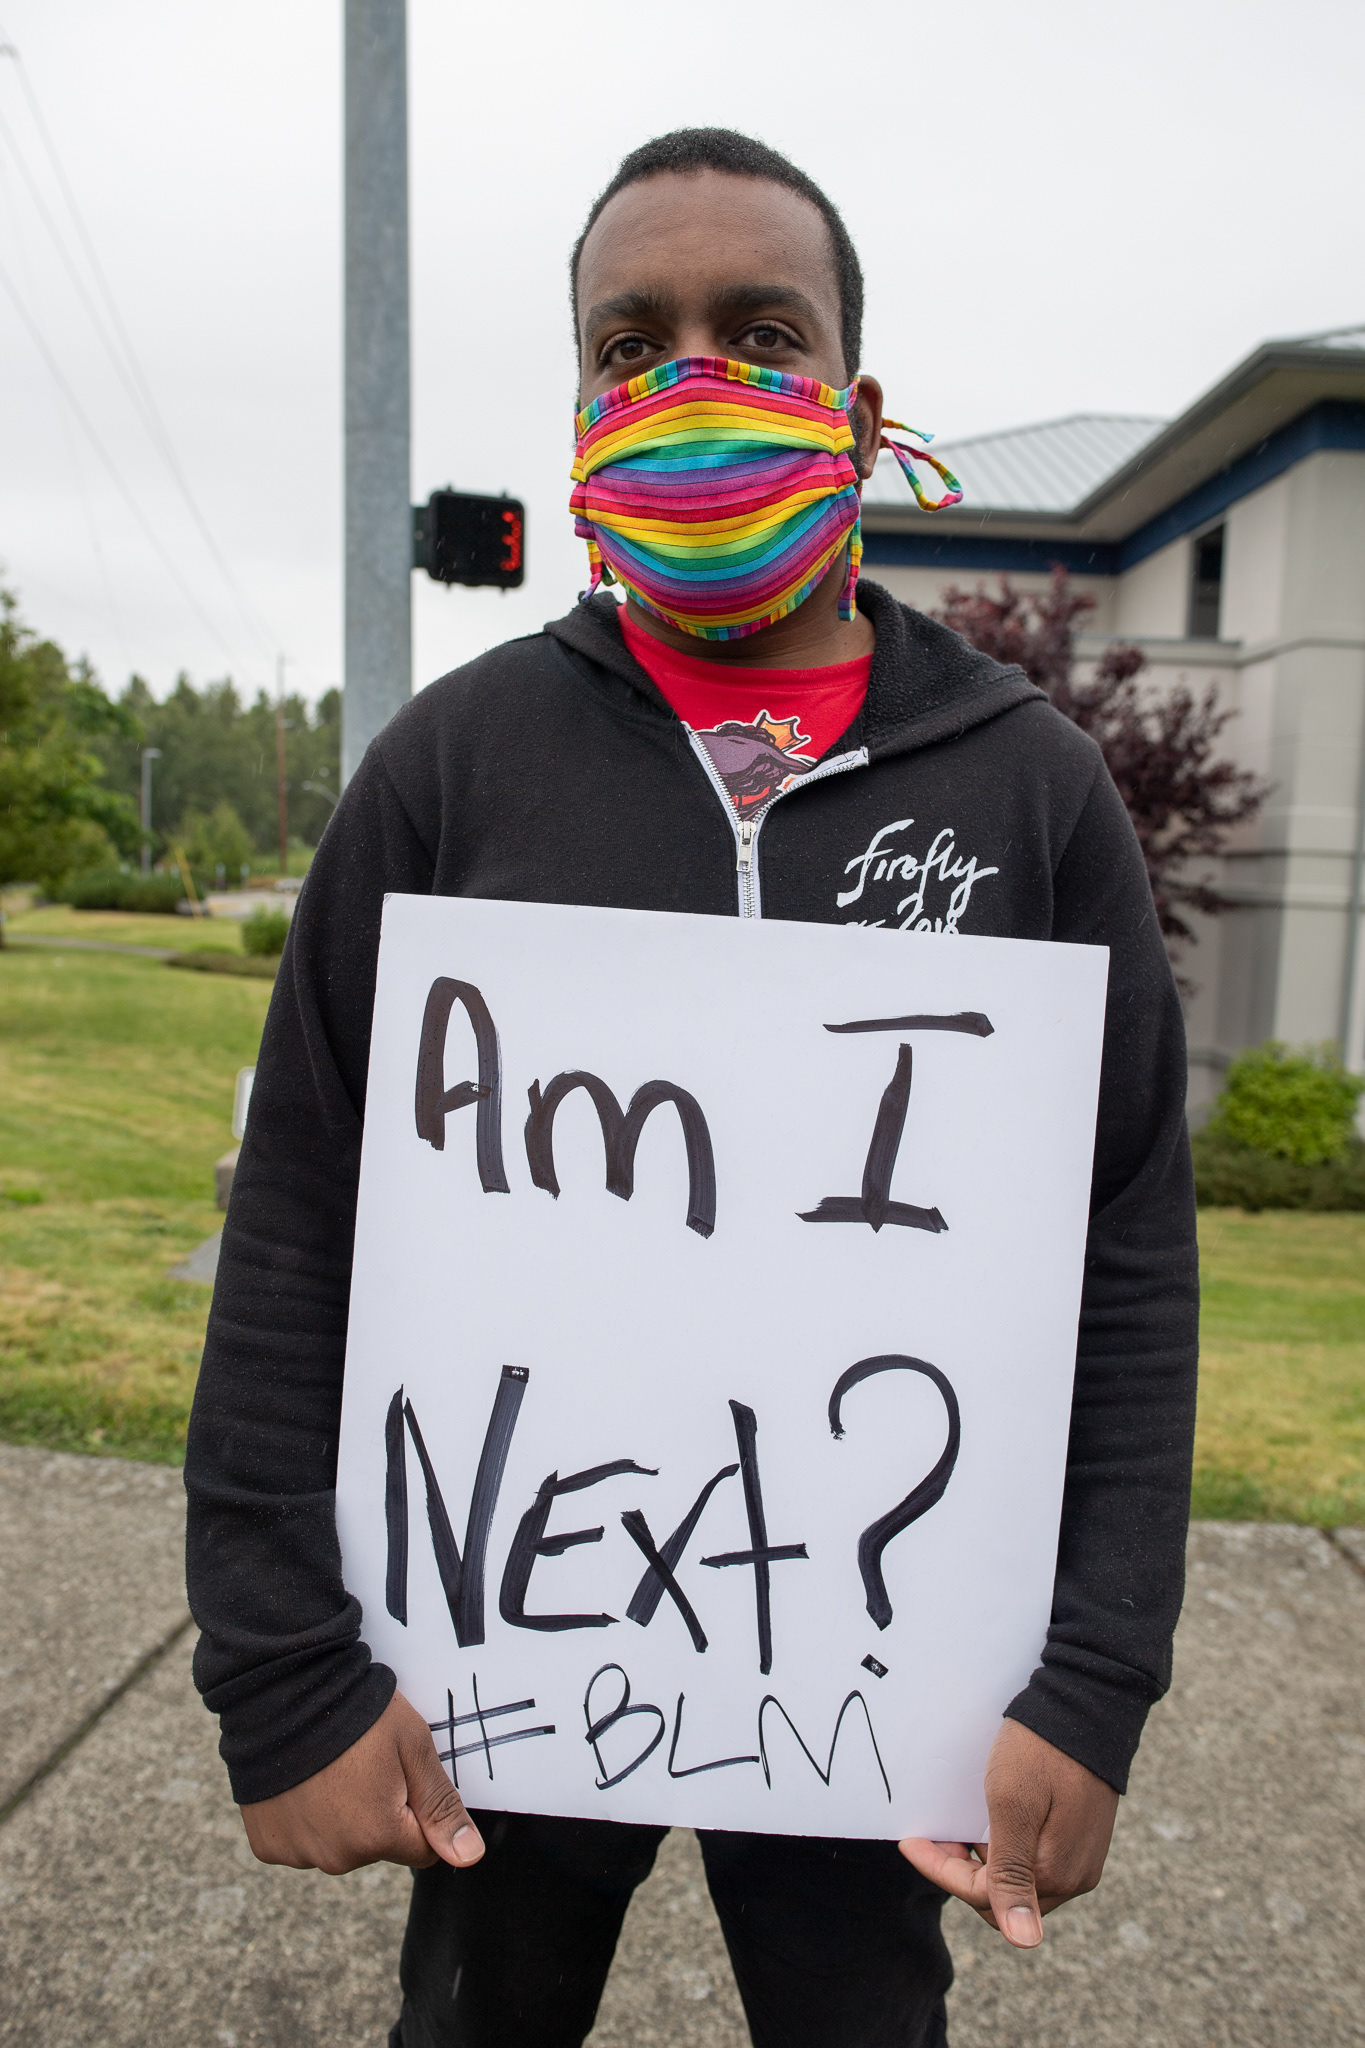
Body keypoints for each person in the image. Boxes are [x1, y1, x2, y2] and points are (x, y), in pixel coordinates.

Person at [185, 128, 1199, 2048]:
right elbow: (304, 1204)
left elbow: (1125, 1245)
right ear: (575, 400)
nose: (690, 385)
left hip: (882, 1671)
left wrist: (1093, 1669)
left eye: (760, 330)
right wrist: (282, 1669)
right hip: (513, 1643)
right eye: (628, 346)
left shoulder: (1028, 790)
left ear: (856, 403)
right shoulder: (449, 772)